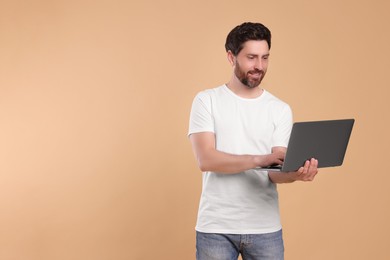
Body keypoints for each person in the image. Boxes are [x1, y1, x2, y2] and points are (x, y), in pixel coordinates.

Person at [188, 22, 319, 260]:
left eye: (265, 57)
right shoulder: (206, 101)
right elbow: (206, 159)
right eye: (251, 57)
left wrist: (296, 174)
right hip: (216, 228)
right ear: (231, 57)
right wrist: (260, 159)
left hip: (265, 229)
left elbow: (274, 172)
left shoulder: (279, 109)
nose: (259, 66)